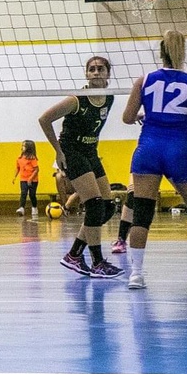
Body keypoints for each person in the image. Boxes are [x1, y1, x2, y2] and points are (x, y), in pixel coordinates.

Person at [119, 30, 187, 290]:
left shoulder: (143, 80)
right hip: (181, 149)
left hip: (149, 149)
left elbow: (127, 118)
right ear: (182, 52)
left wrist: (147, 114)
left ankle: (136, 274)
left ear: (161, 52)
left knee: (142, 212)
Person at [39, 56, 124, 279]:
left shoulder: (109, 98)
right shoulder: (76, 99)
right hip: (72, 152)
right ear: (87, 74)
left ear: (107, 73)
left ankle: (74, 254)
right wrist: (58, 151)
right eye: (92, 69)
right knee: (94, 205)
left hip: (91, 152)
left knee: (106, 208)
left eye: (101, 69)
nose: (96, 72)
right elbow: (44, 119)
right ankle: (97, 262)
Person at [12, 140, 40, 219]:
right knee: (23, 193)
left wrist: (31, 178)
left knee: (32, 194)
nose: (22, 147)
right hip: (23, 179)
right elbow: (17, 168)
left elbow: (36, 170)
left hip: (33, 180)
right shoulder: (19, 158)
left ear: (29, 148)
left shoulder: (32, 158)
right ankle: (21, 208)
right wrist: (14, 177)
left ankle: (34, 207)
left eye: (23, 146)